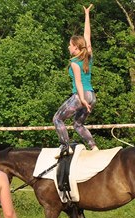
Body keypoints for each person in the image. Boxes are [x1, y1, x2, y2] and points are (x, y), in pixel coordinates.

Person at [53, 4, 98, 157]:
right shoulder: (88, 55)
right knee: (78, 124)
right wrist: (87, 15)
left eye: (70, 45)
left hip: (82, 96)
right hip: (92, 96)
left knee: (57, 119)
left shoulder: (74, 62)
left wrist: (82, 101)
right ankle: (93, 147)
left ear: (76, 48)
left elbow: (78, 83)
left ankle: (65, 146)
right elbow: (87, 36)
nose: (68, 47)